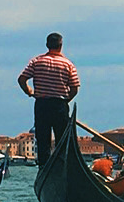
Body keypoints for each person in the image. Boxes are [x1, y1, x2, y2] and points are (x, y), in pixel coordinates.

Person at [19, 32, 81, 167]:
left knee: (43, 139)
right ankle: (61, 165)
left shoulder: (37, 61)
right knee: (62, 139)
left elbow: (22, 79)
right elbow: (75, 88)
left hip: (42, 104)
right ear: (61, 46)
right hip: (60, 106)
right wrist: (65, 100)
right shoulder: (68, 64)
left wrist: (29, 92)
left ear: (47, 45)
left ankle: (43, 166)